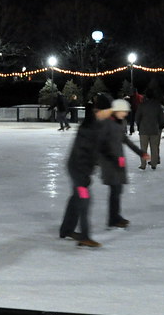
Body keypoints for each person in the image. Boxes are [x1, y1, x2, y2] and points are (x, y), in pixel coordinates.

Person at [59, 93, 115, 248]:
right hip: (78, 170)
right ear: (100, 110)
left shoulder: (96, 124)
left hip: (78, 168)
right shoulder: (90, 127)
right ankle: (84, 236)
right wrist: (84, 176)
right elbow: (83, 153)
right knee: (84, 199)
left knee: (76, 198)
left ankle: (66, 230)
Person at [101, 99, 148, 228]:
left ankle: (115, 217)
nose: (126, 114)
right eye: (124, 111)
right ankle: (113, 219)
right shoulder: (107, 124)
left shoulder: (119, 123)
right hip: (110, 163)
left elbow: (126, 140)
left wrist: (141, 153)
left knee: (117, 190)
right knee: (115, 190)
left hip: (118, 162)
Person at [134, 87, 164, 169]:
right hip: (154, 129)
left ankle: (143, 164)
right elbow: (161, 117)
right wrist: (161, 125)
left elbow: (137, 117)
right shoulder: (157, 105)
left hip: (144, 129)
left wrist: (139, 125)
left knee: (143, 148)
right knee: (154, 148)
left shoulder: (142, 105)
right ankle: (154, 164)